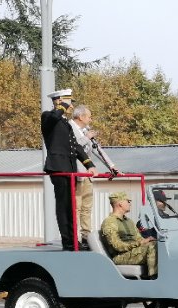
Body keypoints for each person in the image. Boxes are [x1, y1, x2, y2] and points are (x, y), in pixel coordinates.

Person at [41, 88, 95, 250]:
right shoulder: (49, 117)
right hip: (58, 167)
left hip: (69, 168)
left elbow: (76, 147)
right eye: (69, 102)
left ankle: (73, 241)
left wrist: (89, 165)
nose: (71, 107)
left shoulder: (65, 123)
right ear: (60, 101)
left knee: (70, 206)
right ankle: (69, 242)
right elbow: (53, 116)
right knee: (64, 206)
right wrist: (62, 105)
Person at [69, 104, 119, 249]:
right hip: (77, 174)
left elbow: (98, 150)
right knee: (76, 208)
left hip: (88, 175)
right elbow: (73, 147)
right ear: (81, 117)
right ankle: (74, 238)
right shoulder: (69, 128)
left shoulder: (85, 130)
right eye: (89, 116)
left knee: (86, 208)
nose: (91, 119)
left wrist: (112, 166)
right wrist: (86, 138)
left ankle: (85, 237)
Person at [100, 192, 157, 278]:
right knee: (153, 247)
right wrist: (139, 243)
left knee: (159, 245)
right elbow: (117, 246)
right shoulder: (109, 222)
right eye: (128, 201)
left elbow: (139, 238)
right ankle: (153, 278)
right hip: (120, 256)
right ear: (120, 203)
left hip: (133, 251)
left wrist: (147, 240)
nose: (130, 204)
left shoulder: (129, 221)